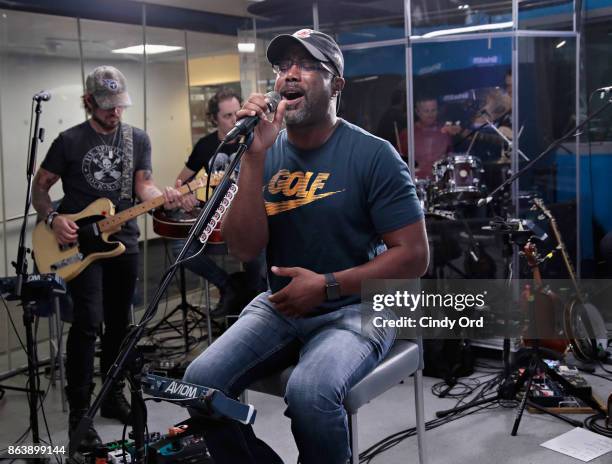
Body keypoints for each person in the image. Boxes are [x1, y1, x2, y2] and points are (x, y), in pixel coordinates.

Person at [183, 29, 428, 464]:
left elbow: (414, 256)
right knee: (199, 383)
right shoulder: (261, 152)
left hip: (358, 306)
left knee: (310, 393)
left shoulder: (374, 155)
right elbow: (244, 248)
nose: (290, 75)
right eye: (283, 67)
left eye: (308, 65)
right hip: (281, 304)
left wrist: (328, 286)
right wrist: (254, 158)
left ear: (337, 84)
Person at [32, 66, 193, 451]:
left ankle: (114, 394)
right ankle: (79, 412)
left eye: (119, 106)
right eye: (106, 107)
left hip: (124, 243)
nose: (114, 113)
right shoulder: (67, 141)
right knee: (87, 322)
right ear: (89, 102)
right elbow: (40, 188)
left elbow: (143, 185)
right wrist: (52, 219)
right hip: (79, 246)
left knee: (120, 324)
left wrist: (163, 196)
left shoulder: (136, 138)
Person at [173, 88, 265, 317]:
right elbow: (180, 183)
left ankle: (255, 299)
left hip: (247, 222)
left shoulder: (255, 141)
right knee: (180, 250)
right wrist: (184, 197)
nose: (235, 120)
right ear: (214, 119)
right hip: (213, 225)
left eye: (237, 113)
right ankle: (228, 286)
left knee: (258, 255)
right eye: (227, 116)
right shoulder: (205, 146)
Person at [399, 96, 454, 179]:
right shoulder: (407, 133)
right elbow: (399, 161)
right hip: (416, 183)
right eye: (426, 111)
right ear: (417, 112)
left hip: (440, 182)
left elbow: (450, 158)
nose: (430, 114)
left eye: (433, 110)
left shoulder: (445, 131)